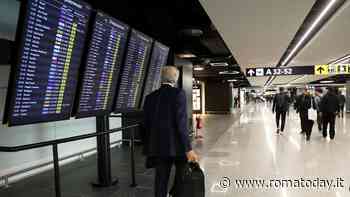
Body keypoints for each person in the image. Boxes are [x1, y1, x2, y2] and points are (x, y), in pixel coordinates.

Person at [142, 66, 199, 197]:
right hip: (177, 147)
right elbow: (181, 124)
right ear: (175, 78)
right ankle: (175, 193)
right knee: (182, 173)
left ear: (161, 78)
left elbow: (145, 124)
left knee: (161, 179)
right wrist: (188, 149)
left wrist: (149, 145)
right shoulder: (179, 94)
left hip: (159, 147)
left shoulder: (150, 97)